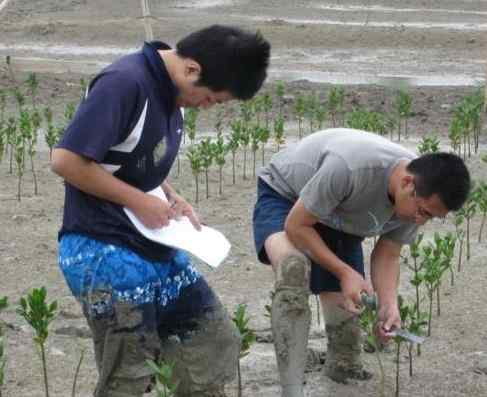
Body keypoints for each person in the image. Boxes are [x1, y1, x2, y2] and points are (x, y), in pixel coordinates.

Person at [51, 25, 270, 397]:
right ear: (191, 69)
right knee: (130, 374)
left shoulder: (171, 92)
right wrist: (139, 201)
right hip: (101, 248)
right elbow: (66, 161)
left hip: (150, 243)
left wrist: (169, 195)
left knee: (213, 343)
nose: (206, 107)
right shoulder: (124, 83)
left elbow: (128, 158)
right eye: (211, 100)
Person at [252, 128, 470, 397]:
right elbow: (297, 226)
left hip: (339, 217)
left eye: (430, 217)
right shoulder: (350, 168)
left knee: (348, 323)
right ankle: (292, 389)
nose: (421, 221)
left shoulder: (417, 202)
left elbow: (388, 253)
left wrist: (389, 306)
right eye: (423, 212)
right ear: (407, 184)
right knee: (293, 271)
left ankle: (340, 370)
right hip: (287, 196)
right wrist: (344, 272)